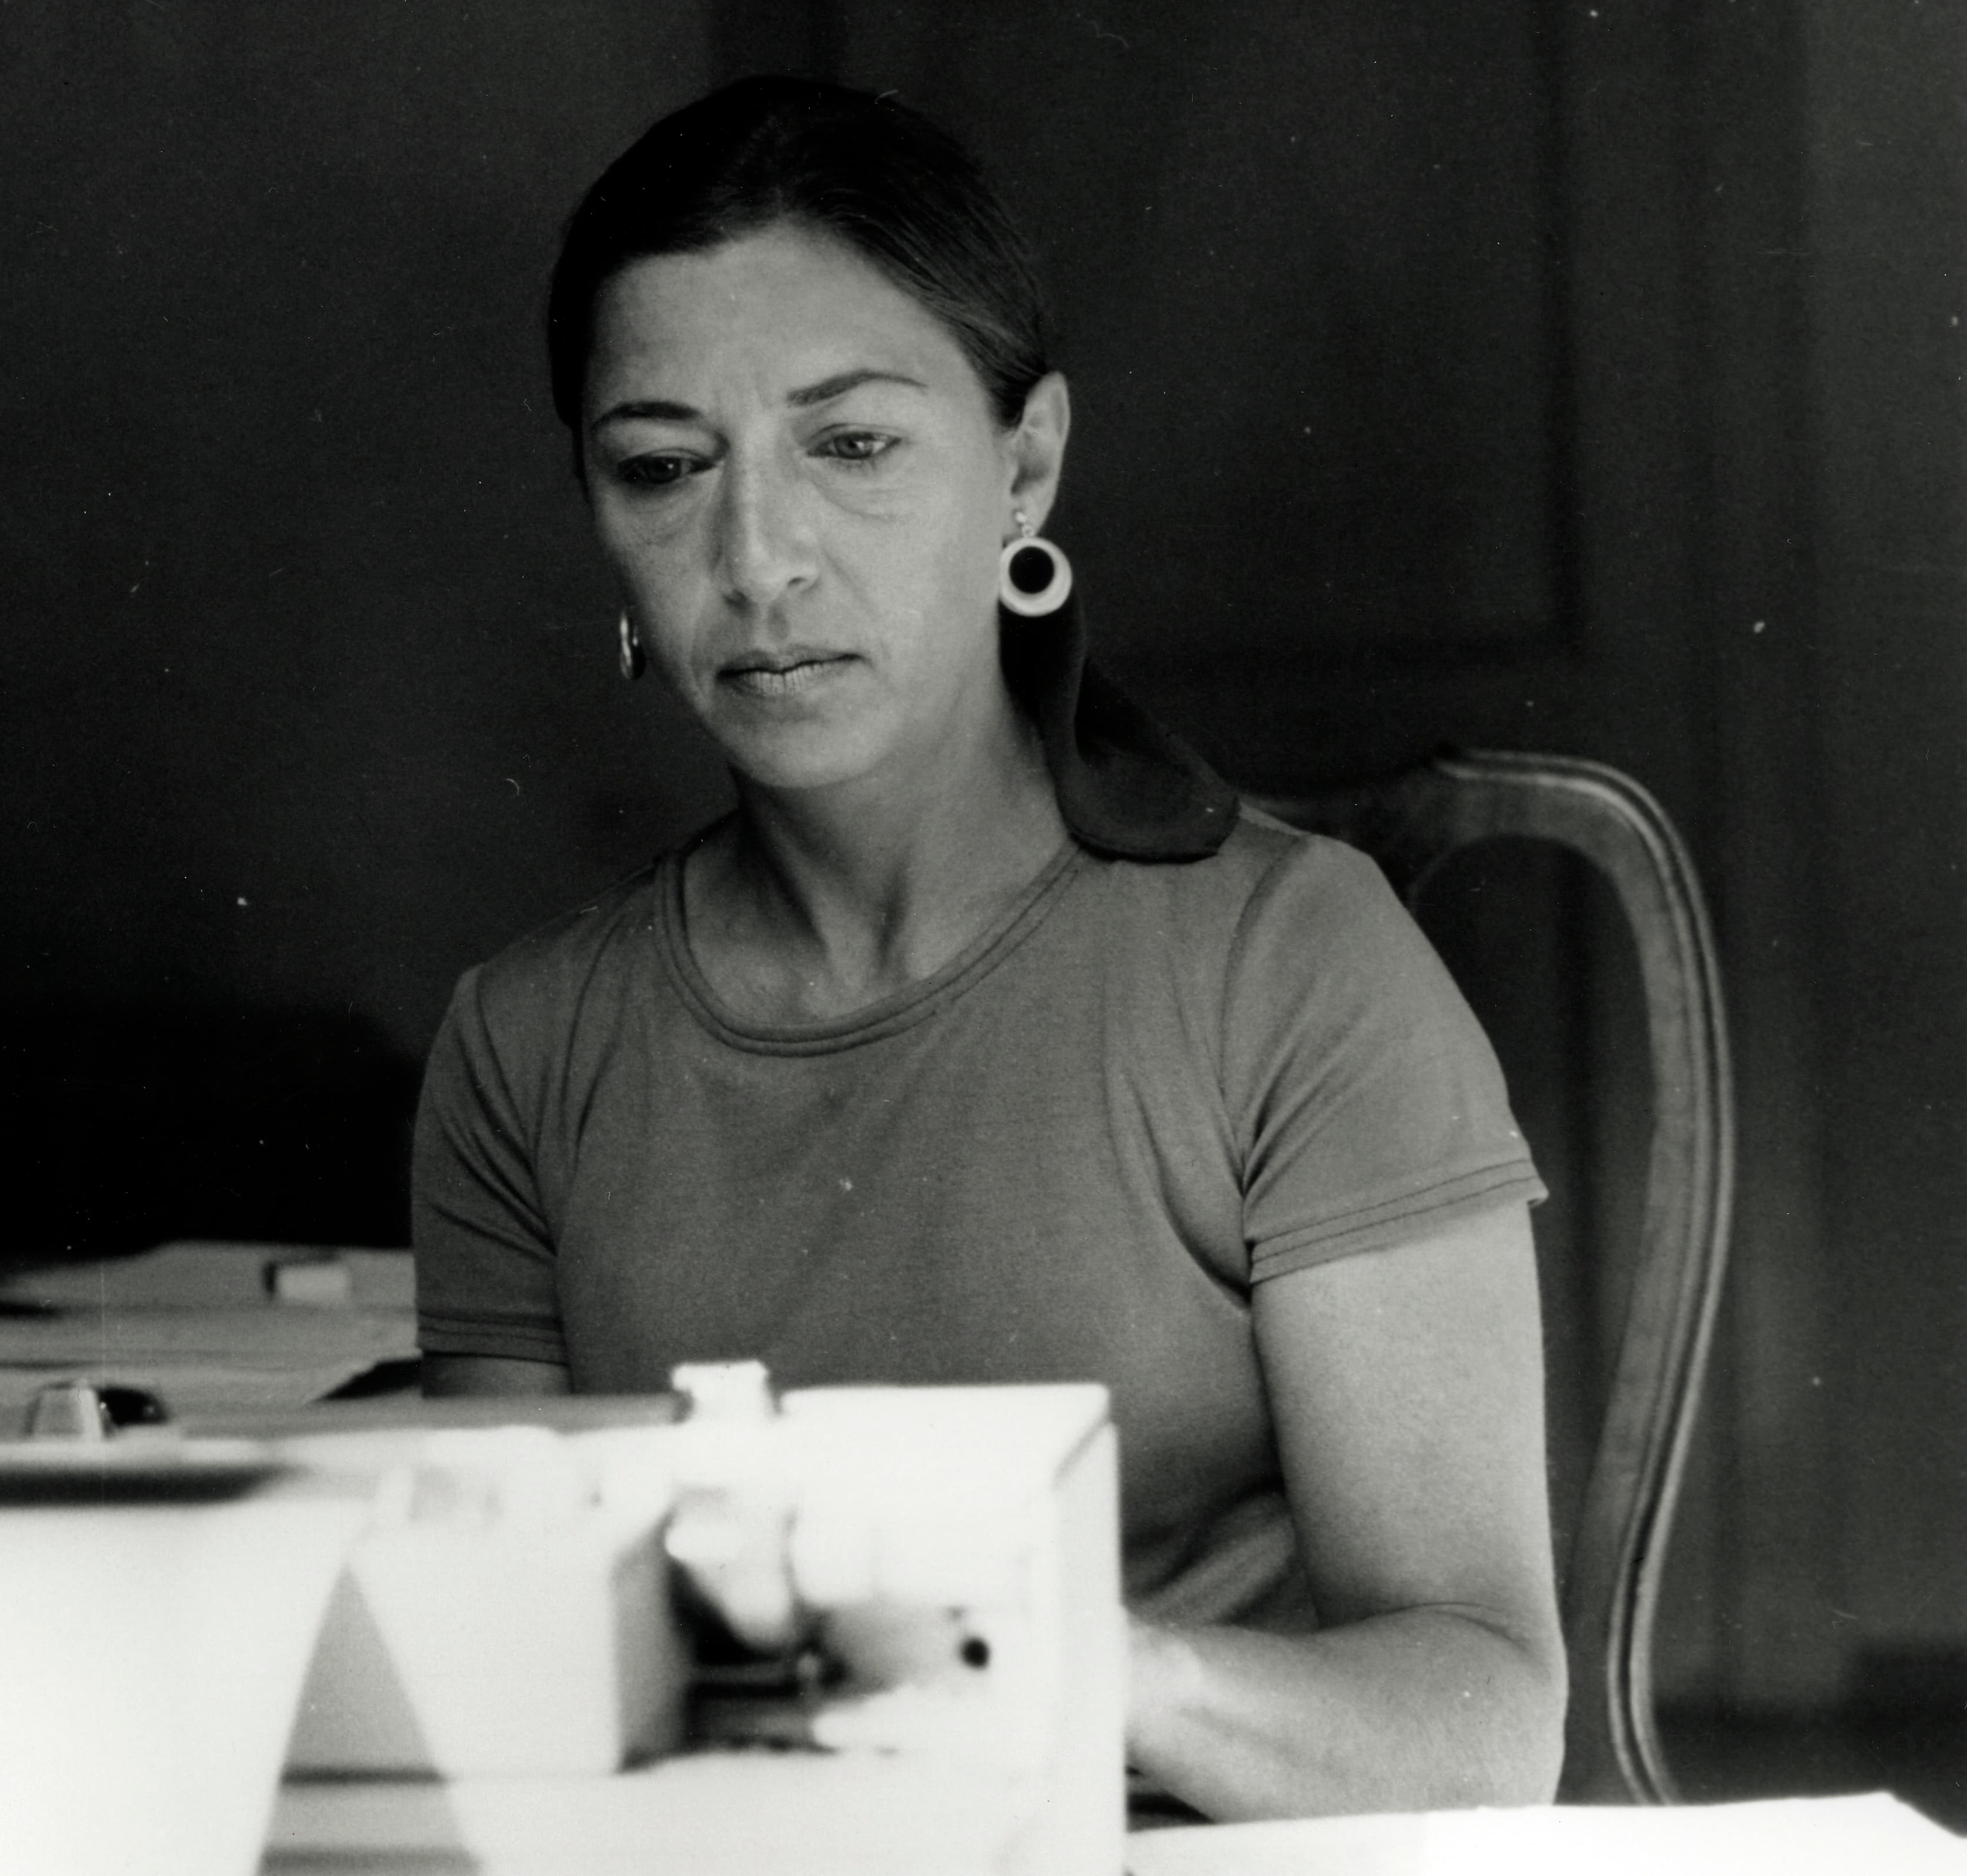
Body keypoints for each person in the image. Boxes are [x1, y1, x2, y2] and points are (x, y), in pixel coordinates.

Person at [411, 75, 1564, 1822]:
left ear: (1024, 464)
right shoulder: (526, 1048)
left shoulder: (1286, 962)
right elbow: (504, 1710)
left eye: (853, 445)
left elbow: (1484, 1711)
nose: (758, 556)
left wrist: (1037, 1655)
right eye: (661, 468)